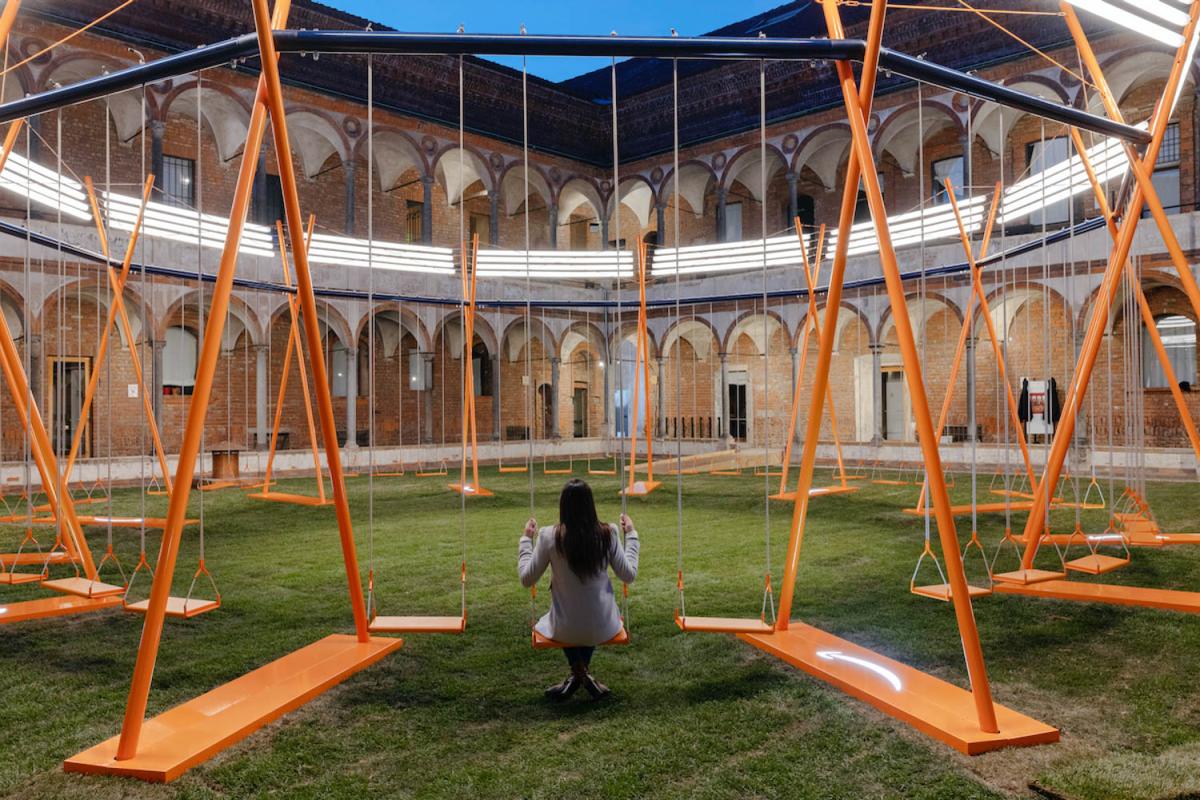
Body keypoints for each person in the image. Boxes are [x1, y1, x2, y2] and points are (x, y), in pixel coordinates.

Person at [518, 478, 639, 701]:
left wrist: (526, 540)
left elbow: (527, 579)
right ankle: (582, 676)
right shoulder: (608, 534)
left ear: (562, 507)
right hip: (603, 626)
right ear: (591, 505)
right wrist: (631, 535)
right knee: (585, 615)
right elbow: (628, 575)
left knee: (565, 618)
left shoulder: (549, 536)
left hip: (564, 627)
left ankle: (577, 674)